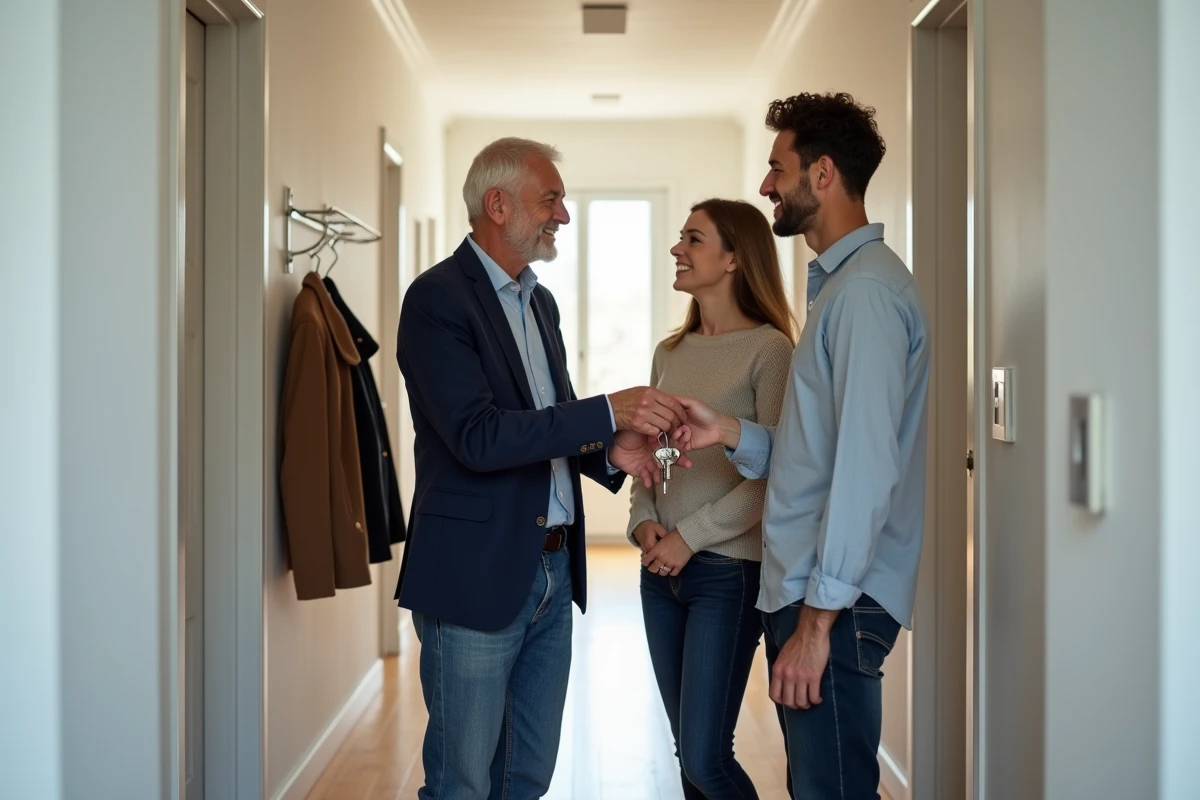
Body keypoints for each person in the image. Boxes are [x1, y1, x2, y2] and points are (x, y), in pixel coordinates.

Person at [394, 136, 690, 800]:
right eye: (549, 199)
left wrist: (609, 451)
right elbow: (478, 437)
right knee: (462, 783)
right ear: (496, 205)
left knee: (527, 775)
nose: (562, 215)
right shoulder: (437, 299)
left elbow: (544, 418)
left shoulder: (540, 303)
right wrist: (608, 411)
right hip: (474, 573)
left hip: (553, 570)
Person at [672, 93, 932, 799]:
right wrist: (728, 432)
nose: (765, 187)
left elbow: (865, 469)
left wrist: (817, 625)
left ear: (821, 176)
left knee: (832, 790)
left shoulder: (865, 297)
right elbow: (824, 446)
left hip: (835, 604)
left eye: (776, 169)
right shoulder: (844, 289)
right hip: (817, 592)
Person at [629, 198, 795, 800]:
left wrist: (687, 538)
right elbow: (651, 453)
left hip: (727, 573)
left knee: (704, 757)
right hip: (659, 570)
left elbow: (776, 475)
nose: (678, 248)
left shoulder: (770, 350)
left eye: (694, 239)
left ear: (732, 259)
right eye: (681, 237)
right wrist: (644, 521)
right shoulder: (670, 353)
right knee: (687, 755)